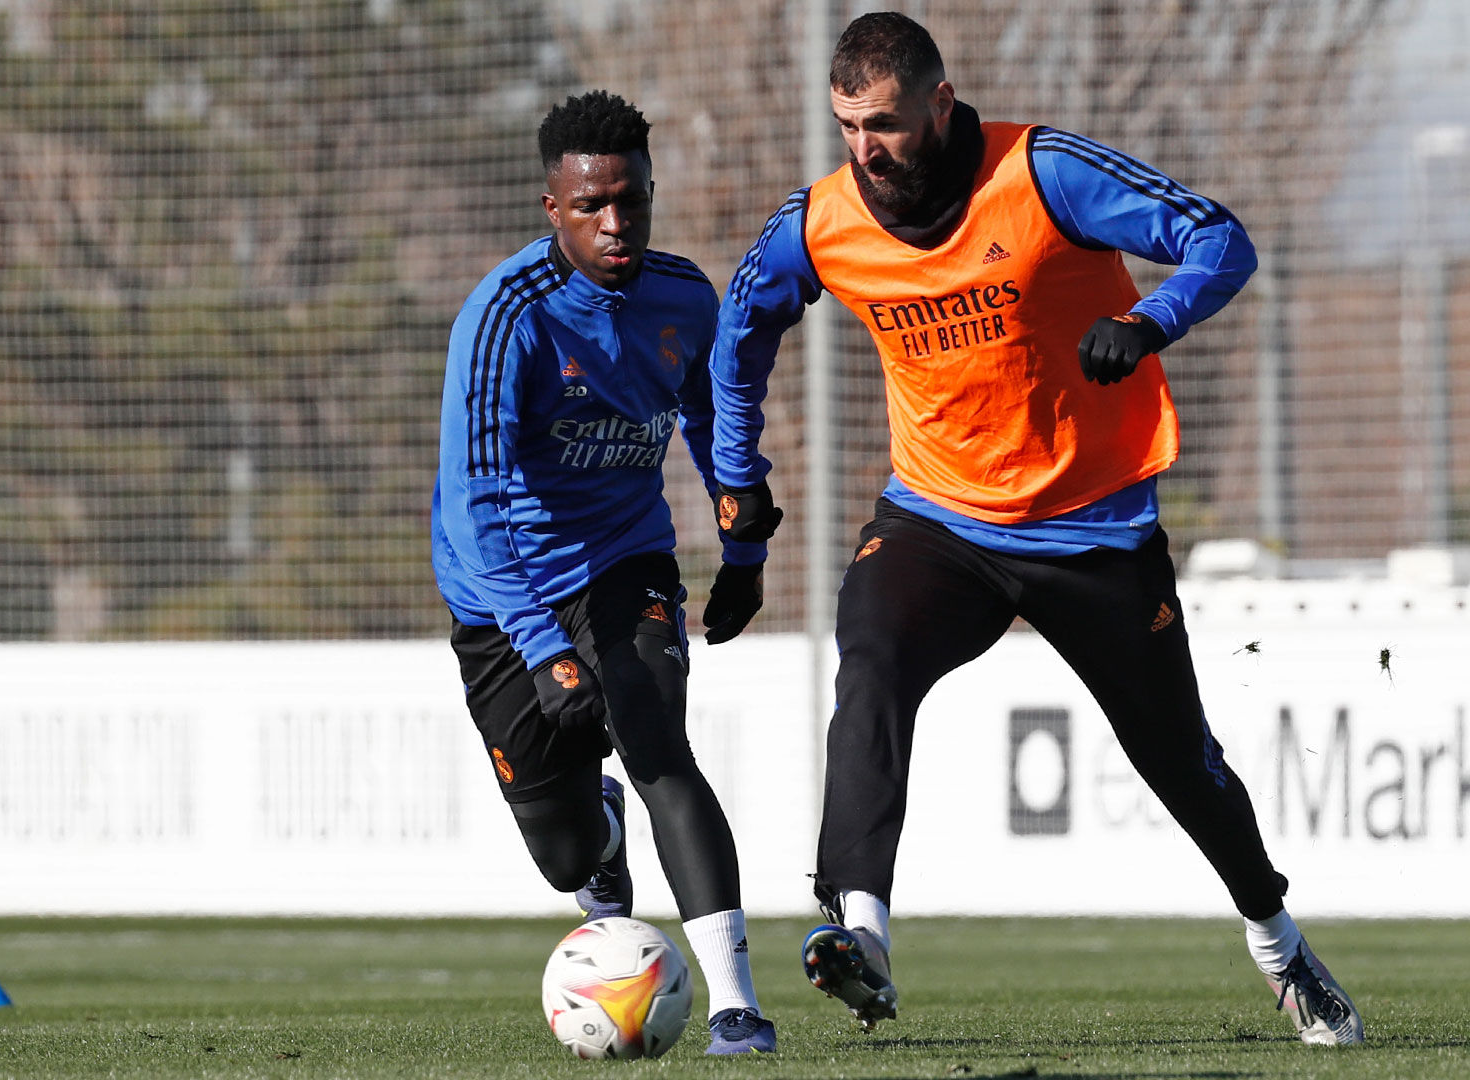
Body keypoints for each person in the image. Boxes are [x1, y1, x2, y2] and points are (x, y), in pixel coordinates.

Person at [707, 12, 1363, 1047]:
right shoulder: (822, 223)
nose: (865, 150)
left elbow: (1219, 239)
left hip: (1094, 530)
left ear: (939, 101)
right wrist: (738, 485)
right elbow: (737, 331)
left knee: (1177, 760)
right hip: (940, 522)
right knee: (870, 662)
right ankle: (862, 932)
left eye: (883, 124)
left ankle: (1280, 944)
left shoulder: (1043, 171)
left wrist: (1149, 322)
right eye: (846, 128)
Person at [431, 90, 777, 1055]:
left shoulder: (683, 298)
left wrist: (741, 554)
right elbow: (480, 501)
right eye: (591, 207)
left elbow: (718, 428)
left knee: (658, 739)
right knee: (565, 854)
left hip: (627, 563)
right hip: (506, 597)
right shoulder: (505, 319)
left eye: (631, 201)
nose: (615, 224)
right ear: (554, 208)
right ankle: (602, 836)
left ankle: (737, 1006)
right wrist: (543, 649)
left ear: (651, 191)